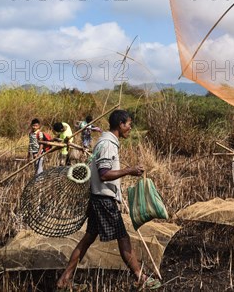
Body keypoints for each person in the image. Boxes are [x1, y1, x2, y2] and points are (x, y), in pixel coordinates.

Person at [56, 109, 161, 290]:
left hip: (98, 198)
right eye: (128, 124)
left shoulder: (106, 142)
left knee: (88, 239)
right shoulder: (107, 144)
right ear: (120, 124)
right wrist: (129, 171)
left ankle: (64, 280)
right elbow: (104, 174)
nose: (130, 128)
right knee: (123, 237)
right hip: (104, 199)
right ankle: (140, 277)